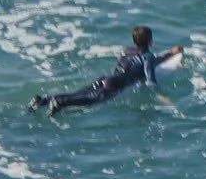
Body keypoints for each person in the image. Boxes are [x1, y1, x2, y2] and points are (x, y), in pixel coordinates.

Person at [30, 26, 163, 113]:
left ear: (134, 41)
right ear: (150, 41)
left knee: (77, 93)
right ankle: (60, 102)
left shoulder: (126, 50)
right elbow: (151, 81)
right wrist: (159, 95)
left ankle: (43, 100)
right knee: (89, 100)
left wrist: (169, 55)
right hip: (115, 85)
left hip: (106, 79)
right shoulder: (148, 57)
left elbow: (138, 62)